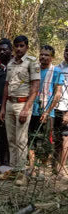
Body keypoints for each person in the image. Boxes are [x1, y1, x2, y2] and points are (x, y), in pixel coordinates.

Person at [0, 35, 40, 185]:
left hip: (23, 104)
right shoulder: (11, 63)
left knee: (21, 139)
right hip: (10, 103)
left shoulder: (32, 62)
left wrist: (26, 108)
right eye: (16, 46)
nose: (19, 49)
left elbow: (35, 87)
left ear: (27, 47)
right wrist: (3, 107)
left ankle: (22, 173)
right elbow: (6, 85)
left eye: (22, 46)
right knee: (11, 138)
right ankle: (14, 170)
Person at [28, 45, 63, 175]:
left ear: (52, 57)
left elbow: (57, 93)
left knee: (45, 141)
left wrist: (48, 111)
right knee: (30, 138)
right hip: (32, 110)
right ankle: (31, 166)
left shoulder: (56, 72)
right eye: (41, 54)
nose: (43, 57)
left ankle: (41, 169)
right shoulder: (34, 69)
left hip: (47, 112)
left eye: (46, 55)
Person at [54, 43, 68, 177]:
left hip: (67, 109)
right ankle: (55, 163)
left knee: (65, 138)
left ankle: (62, 167)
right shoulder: (58, 68)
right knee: (57, 137)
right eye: (66, 50)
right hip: (57, 107)